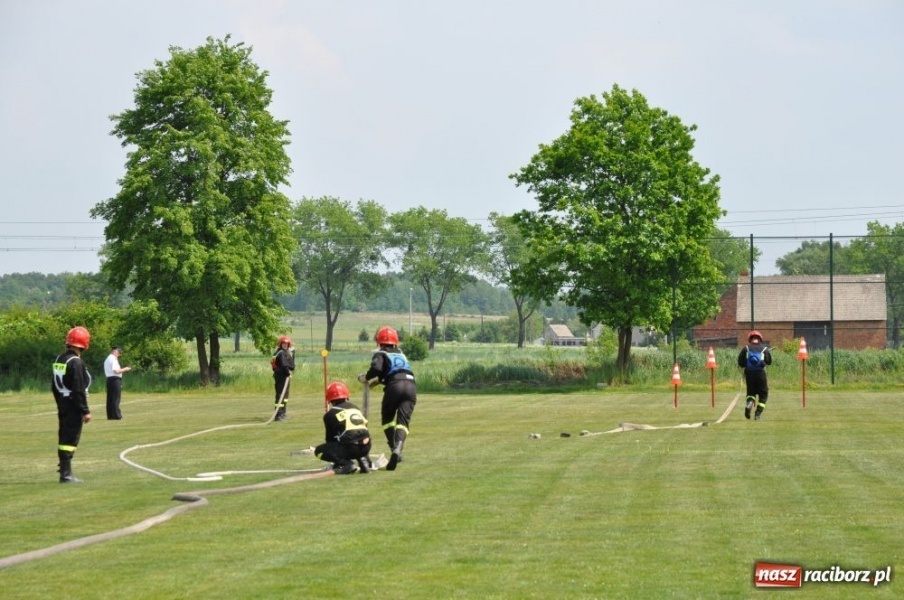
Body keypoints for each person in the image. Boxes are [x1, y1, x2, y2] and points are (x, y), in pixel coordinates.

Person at [358, 326, 416, 471]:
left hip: (395, 386)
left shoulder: (381, 353)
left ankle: (393, 446)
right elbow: (396, 371)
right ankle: (398, 447)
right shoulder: (401, 354)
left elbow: (377, 369)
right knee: (403, 422)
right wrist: (378, 381)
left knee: (387, 420)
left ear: (379, 341)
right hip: (410, 386)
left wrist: (365, 377)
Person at [52, 326, 93, 483]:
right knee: (70, 439)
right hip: (73, 404)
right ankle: (66, 474)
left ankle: (64, 468)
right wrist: (85, 410)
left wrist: (60, 404)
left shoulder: (60, 359)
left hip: (63, 402)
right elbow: (78, 389)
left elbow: (54, 386)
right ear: (84, 344)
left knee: (64, 436)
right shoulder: (75, 362)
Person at [315, 382, 372, 475]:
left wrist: (337, 461)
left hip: (351, 448)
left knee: (319, 451)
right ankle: (363, 460)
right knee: (356, 438)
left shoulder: (330, 414)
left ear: (330, 399)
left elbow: (330, 440)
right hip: (367, 446)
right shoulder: (355, 408)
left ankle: (347, 464)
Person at [737, 330, 773, 420]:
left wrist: (746, 365)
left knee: (750, 393)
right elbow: (769, 362)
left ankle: (749, 404)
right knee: (764, 394)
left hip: (749, 374)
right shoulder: (764, 349)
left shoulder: (746, 348)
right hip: (761, 374)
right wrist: (763, 362)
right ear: (760, 339)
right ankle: (757, 414)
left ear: (750, 339)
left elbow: (740, 362)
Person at [103, 345, 131, 420]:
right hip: (115, 380)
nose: (119, 354)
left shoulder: (108, 359)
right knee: (116, 398)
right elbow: (116, 370)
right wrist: (125, 369)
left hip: (109, 379)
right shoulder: (113, 359)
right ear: (115, 352)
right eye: (119, 352)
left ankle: (110, 415)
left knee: (110, 398)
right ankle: (116, 415)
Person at [271, 335, 295, 421]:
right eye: (283, 343)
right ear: (280, 344)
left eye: (286, 344)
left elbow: (291, 365)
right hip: (281, 377)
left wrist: (293, 354)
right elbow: (285, 365)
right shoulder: (281, 353)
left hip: (284, 377)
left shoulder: (285, 352)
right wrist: (288, 373)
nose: (285, 345)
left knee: (285, 396)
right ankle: (278, 415)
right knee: (280, 395)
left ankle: (283, 413)